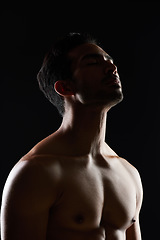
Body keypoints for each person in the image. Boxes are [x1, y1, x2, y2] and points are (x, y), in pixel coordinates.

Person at [1, 33, 143, 240]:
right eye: (93, 63)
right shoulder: (36, 172)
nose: (112, 68)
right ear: (65, 87)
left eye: (111, 62)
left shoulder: (129, 173)